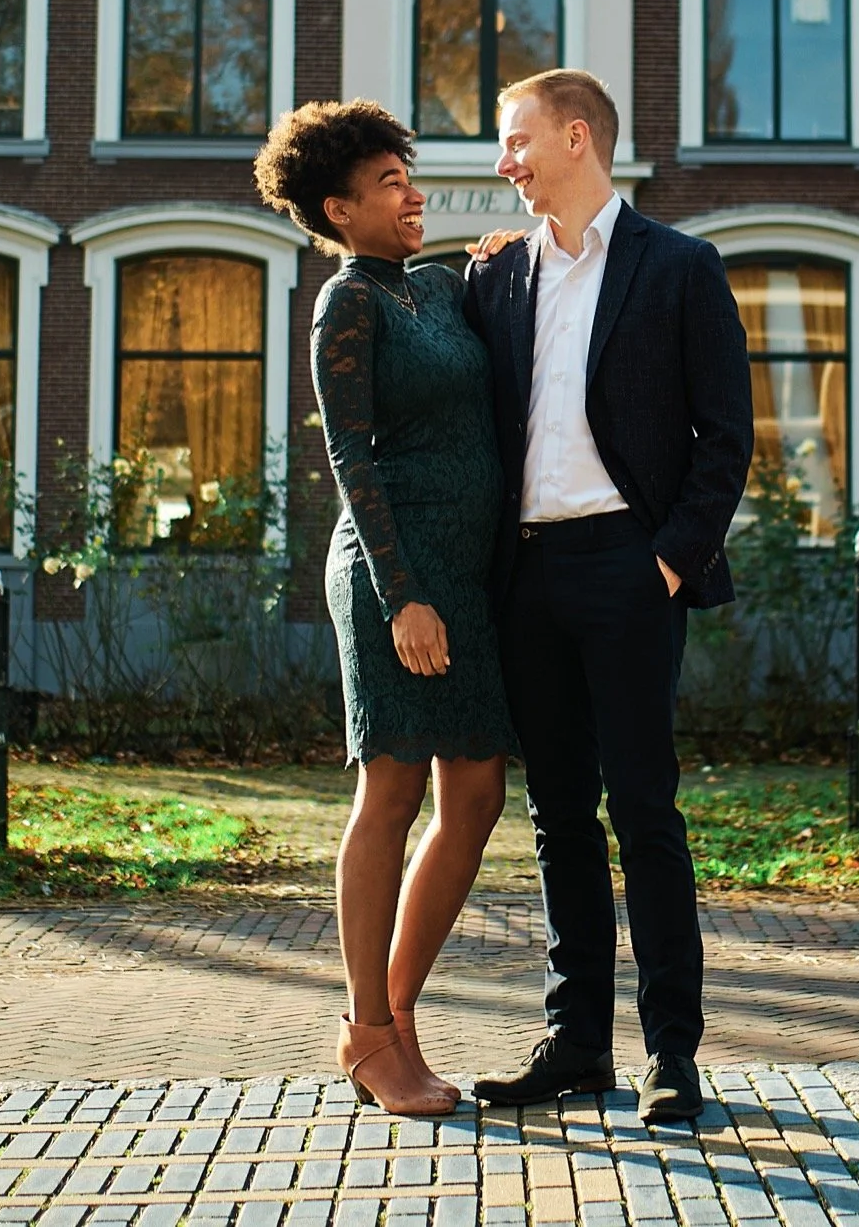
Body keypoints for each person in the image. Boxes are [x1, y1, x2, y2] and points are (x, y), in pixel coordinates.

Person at [462, 68, 755, 1123]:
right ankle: (577, 1042)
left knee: (643, 810)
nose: (502, 162)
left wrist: (668, 562)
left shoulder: (679, 268)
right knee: (557, 821)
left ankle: (671, 1053)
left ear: (575, 136)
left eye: (514, 140)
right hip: (530, 576)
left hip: (632, 572)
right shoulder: (493, 279)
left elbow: (726, 439)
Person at [254, 100, 518, 1118]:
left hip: (469, 576)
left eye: (409, 175)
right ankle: (369, 1030)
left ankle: (393, 1021)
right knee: (393, 793)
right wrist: (403, 597)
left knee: (480, 794)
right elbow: (350, 458)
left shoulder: (441, 289)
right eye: (388, 184)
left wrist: (504, 255)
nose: (411, 192)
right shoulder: (346, 304)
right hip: (390, 574)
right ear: (338, 207)